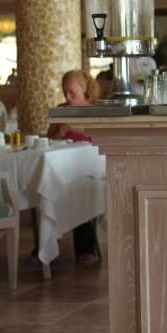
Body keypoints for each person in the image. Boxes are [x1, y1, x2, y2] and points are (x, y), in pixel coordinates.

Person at [44, 69, 101, 267]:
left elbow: (102, 135)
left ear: (84, 88)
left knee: (76, 188)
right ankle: (44, 248)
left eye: (72, 92)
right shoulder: (62, 109)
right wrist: (58, 131)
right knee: (48, 188)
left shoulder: (96, 108)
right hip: (63, 163)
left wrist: (74, 128)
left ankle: (85, 248)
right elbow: (49, 137)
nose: (67, 97)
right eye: (65, 92)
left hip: (88, 165)